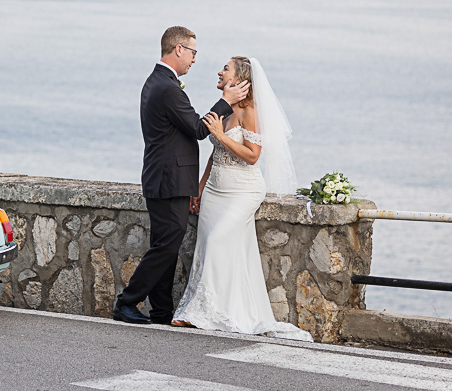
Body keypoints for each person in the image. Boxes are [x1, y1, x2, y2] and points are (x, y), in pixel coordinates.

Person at [113, 26, 249, 325]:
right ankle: (126, 302)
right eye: (193, 52)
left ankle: (161, 310)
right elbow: (200, 130)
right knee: (167, 244)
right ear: (178, 49)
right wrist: (226, 100)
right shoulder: (167, 88)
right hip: (168, 179)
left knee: (166, 244)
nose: (194, 60)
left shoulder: (160, 82)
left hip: (165, 177)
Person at [171, 56, 311, 341]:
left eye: (226, 68)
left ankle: (212, 313)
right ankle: (206, 311)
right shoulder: (223, 110)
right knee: (209, 248)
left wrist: (221, 136)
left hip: (243, 191)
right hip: (215, 190)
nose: (220, 71)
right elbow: (214, 154)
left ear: (240, 79)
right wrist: (199, 186)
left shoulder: (250, 112)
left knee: (217, 240)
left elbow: (252, 156)